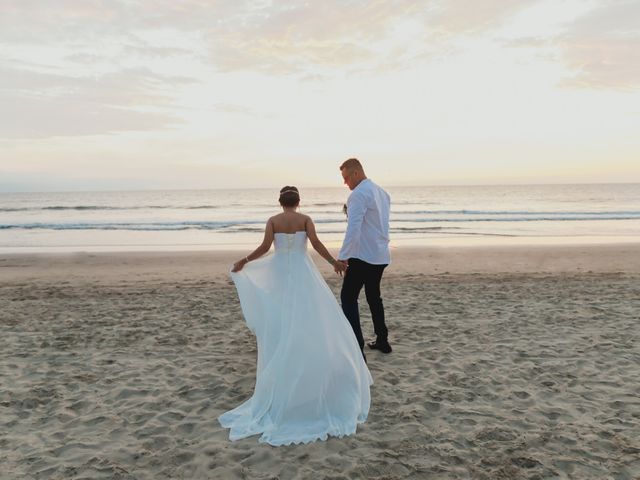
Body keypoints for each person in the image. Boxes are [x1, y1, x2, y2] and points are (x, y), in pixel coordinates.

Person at [218, 186, 373, 446]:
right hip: (303, 272)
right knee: (312, 315)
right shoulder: (305, 219)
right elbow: (317, 244)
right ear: (298, 202)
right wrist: (334, 262)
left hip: (280, 272)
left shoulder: (273, 221)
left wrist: (244, 261)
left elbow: (265, 247)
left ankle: (288, 353)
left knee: (285, 315)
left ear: (281, 202)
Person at [337, 158, 392, 355]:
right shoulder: (382, 192)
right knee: (373, 296)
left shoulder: (358, 194)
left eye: (345, 178)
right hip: (380, 254)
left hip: (363, 256)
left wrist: (343, 256)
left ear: (355, 174)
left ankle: (356, 346)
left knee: (348, 297)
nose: (345, 183)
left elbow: (354, 229)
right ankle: (383, 340)